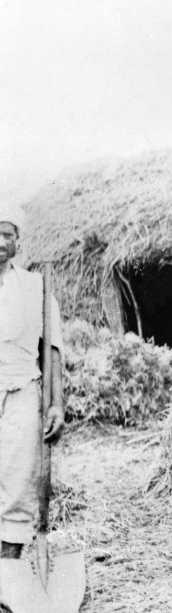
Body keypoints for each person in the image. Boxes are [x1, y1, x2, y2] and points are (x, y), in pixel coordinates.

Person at [0, 206, 65, 560]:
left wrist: (56, 403)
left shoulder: (35, 286)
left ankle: (7, 565)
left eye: (7, 234)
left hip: (22, 387)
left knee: (18, 472)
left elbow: (52, 349)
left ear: (17, 241)